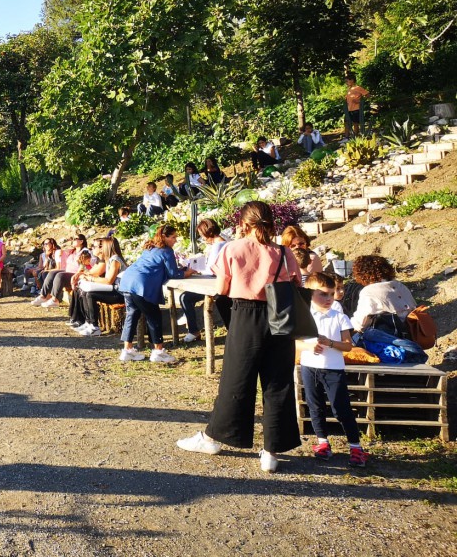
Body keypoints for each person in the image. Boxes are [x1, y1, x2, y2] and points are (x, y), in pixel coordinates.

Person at [176, 201, 303, 473]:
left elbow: (222, 287)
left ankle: (214, 438)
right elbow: (297, 283)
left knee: (236, 380)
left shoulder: (232, 249)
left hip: (246, 314)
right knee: (278, 382)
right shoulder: (283, 251)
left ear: (243, 224)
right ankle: (271, 451)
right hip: (279, 312)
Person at [297, 272, 370, 467]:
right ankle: (322, 442)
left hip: (333, 369)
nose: (329, 298)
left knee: (341, 407)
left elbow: (348, 346)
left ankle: (355, 447)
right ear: (309, 294)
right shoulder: (304, 316)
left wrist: (329, 343)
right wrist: (308, 347)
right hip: (309, 367)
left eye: (331, 294)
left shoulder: (339, 316)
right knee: (315, 406)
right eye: (323, 294)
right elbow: (294, 343)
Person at [117, 226, 191, 362]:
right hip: (141, 285)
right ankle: (158, 351)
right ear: (164, 237)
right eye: (173, 237)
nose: (175, 240)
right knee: (154, 317)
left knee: (132, 315)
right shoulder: (167, 251)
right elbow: (174, 274)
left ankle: (127, 350)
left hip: (127, 281)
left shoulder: (150, 247)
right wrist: (189, 272)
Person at [177, 218, 230, 341]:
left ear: (208, 233)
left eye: (202, 235)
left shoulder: (217, 246)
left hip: (215, 284)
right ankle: (190, 325)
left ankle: (193, 330)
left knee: (185, 297)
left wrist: (196, 269)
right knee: (186, 297)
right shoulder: (225, 242)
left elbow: (212, 269)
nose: (203, 239)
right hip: (220, 282)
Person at [75, 236, 129, 337]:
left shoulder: (115, 260)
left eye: (102, 246)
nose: (99, 249)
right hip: (115, 290)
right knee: (86, 292)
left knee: (91, 295)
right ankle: (89, 322)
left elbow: (109, 281)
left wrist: (91, 279)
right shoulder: (110, 259)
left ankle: (94, 327)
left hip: (121, 293)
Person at [349, 255, 416, 333]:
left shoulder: (369, 292)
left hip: (391, 336)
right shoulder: (400, 285)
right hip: (412, 332)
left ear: (361, 274)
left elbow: (361, 322)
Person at [34, 234, 87, 309]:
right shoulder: (73, 251)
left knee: (60, 275)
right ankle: (43, 296)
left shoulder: (85, 252)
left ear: (81, 241)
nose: (73, 240)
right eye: (72, 238)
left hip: (76, 274)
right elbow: (62, 253)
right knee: (51, 273)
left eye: (75, 239)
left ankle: (55, 300)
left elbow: (84, 266)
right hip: (68, 271)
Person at [344, 73, 370, 138]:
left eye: (347, 81)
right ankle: (346, 137)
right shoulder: (349, 89)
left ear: (352, 80)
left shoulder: (358, 88)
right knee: (346, 123)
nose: (346, 83)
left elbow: (368, 95)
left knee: (355, 123)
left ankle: (356, 137)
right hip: (349, 109)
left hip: (356, 109)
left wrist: (360, 101)